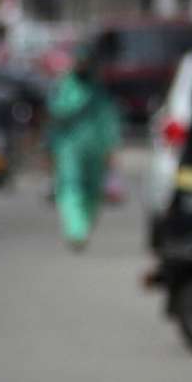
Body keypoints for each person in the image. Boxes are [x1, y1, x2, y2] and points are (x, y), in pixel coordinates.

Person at [47, 43, 122, 251]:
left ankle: (83, 226)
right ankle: (76, 230)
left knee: (93, 192)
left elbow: (109, 121)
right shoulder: (64, 87)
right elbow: (56, 114)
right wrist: (49, 146)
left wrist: (112, 148)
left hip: (96, 148)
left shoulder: (99, 91)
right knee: (70, 187)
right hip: (69, 148)